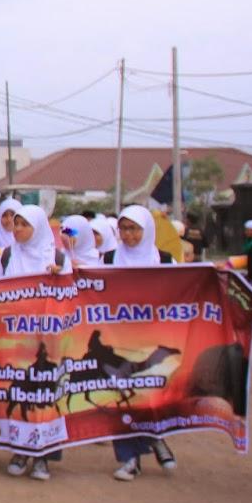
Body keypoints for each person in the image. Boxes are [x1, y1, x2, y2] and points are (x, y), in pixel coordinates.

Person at [99, 205, 179, 482]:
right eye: (123, 228)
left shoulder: (166, 261)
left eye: (134, 229)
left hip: (154, 342)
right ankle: (128, 458)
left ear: (146, 230)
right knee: (120, 397)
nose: (128, 235)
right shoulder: (108, 259)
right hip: (117, 341)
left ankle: (157, 439)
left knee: (150, 396)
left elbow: (183, 293)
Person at [0, 205, 67, 483]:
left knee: (46, 395)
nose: (18, 229)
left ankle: (43, 457)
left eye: (25, 225)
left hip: (48, 342)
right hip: (16, 339)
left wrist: (59, 277)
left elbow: (71, 297)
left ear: (38, 227)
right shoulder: (7, 255)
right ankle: (20, 451)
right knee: (21, 394)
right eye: (16, 224)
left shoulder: (58, 257)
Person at [225, 219, 252, 294]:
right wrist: (227, 265)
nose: (245, 232)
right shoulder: (250, 243)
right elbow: (247, 259)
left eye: (247, 230)